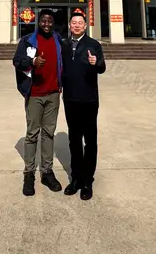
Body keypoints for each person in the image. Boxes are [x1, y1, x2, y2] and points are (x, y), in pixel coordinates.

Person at [12, 9, 64, 197]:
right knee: (32, 134)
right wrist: (32, 61)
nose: (47, 24)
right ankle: (29, 173)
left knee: (49, 133)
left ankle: (47, 172)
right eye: (43, 20)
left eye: (50, 21)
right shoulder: (28, 40)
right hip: (34, 94)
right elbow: (16, 60)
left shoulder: (59, 40)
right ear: (38, 22)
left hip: (53, 94)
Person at [61, 11, 106, 200]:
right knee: (74, 140)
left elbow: (102, 67)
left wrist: (96, 63)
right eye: (74, 22)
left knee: (90, 141)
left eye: (80, 22)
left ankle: (88, 180)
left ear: (85, 26)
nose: (77, 25)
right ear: (70, 25)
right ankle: (76, 178)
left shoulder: (93, 45)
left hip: (88, 100)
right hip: (70, 99)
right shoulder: (63, 44)